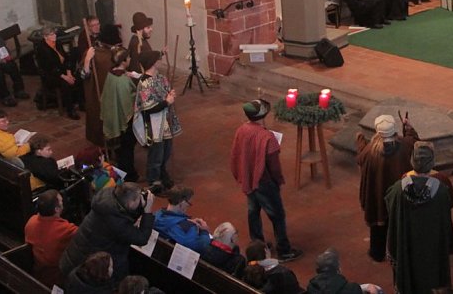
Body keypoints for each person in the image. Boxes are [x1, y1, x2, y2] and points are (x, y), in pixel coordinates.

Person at [230, 99, 303, 262]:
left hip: (249, 178)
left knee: (253, 211)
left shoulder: (242, 129)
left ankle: (258, 247)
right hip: (264, 182)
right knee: (277, 215)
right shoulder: (267, 137)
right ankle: (284, 250)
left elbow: (236, 153)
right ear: (263, 115)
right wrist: (278, 179)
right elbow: (273, 165)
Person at [385, 141, 453, 294]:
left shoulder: (397, 189)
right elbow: (445, 218)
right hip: (432, 248)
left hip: (407, 245)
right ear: (432, 163)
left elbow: (391, 209)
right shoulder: (441, 191)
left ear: (412, 162)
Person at [59, 183, 156, 282]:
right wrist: (147, 212)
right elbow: (142, 238)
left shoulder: (108, 197)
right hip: (86, 269)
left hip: (75, 258)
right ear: (130, 203)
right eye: (139, 199)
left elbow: (123, 213)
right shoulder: (116, 223)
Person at [356, 114, 419, 262]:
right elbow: (415, 141)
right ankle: (398, 252)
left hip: (377, 194)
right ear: (394, 130)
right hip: (399, 195)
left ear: (378, 132)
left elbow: (360, 159)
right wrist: (408, 127)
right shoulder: (404, 145)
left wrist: (360, 142)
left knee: (378, 223)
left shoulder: (370, 150)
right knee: (398, 222)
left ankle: (377, 253)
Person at [135, 50, 179, 195]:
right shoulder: (145, 83)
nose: (160, 61)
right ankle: (154, 182)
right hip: (154, 124)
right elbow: (148, 108)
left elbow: (165, 90)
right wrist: (166, 102)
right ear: (152, 63)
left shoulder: (159, 77)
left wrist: (170, 94)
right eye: (157, 59)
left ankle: (162, 173)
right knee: (156, 155)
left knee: (166, 151)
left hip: (164, 121)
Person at [24, 189, 79, 287]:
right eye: (61, 201)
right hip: (57, 279)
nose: (63, 202)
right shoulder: (66, 230)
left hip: (38, 272)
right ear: (57, 209)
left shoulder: (31, 221)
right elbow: (84, 236)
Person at [100, 46, 138, 182]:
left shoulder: (111, 74)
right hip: (124, 119)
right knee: (127, 147)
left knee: (120, 148)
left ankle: (122, 170)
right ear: (123, 61)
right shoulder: (121, 80)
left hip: (113, 115)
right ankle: (130, 175)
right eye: (128, 57)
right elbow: (127, 102)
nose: (130, 59)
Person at [36, 26, 81, 120]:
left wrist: (69, 73)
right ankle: (70, 110)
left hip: (61, 69)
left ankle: (80, 102)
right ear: (45, 37)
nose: (54, 36)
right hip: (51, 75)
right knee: (65, 84)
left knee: (78, 76)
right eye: (51, 35)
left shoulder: (57, 43)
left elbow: (66, 58)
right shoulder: (42, 49)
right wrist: (65, 77)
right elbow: (50, 68)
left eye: (54, 34)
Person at [0, 17, 29, 107]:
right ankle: (5, 96)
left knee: (12, 66)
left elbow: (3, 45)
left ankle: (19, 90)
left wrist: (6, 55)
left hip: (1, 58)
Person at [153, 186, 212, 254]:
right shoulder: (187, 228)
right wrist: (204, 231)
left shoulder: (155, 215)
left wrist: (185, 221)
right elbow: (201, 245)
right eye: (189, 204)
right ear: (182, 202)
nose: (188, 207)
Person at [306, 248, 382, 294]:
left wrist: (365, 287)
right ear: (338, 269)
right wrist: (369, 286)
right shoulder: (351, 289)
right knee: (377, 289)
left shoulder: (311, 286)